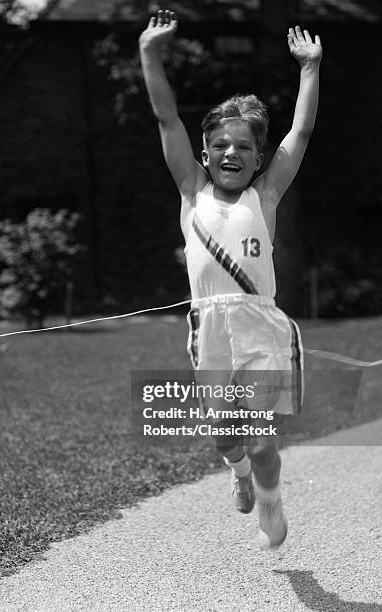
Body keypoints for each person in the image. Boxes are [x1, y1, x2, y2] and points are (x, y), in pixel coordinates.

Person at [139, 9, 322, 548]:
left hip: (261, 326)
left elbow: (303, 131)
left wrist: (309, 68)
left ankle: (270, 499)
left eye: (244, 146)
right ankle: (239, 475)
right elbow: (167, 119)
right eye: (221, 144)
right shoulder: (191, 194)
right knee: (225, 433)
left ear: (258, 156)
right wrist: (150, 54)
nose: (231, 153)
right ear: (204, 152)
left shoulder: (264, 197)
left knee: (261, 434)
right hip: (209, 330)